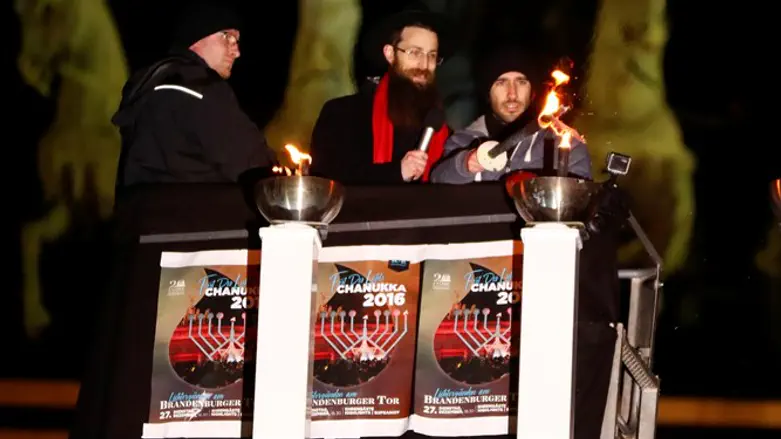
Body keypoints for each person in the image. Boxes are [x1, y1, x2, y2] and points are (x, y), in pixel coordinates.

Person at [111, 0, 276, 191]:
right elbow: (251, 162)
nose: (236, 51)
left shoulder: (148, 88)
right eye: (227, 36)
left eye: (237, 41)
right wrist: (280, 174)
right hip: (194, 215)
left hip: (139, 216)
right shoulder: (200, 88)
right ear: (197, 37)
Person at [309, 2, 451, 184]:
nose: (424, 65)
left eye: (431, 55)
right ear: (390, 54)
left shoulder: (438, 125)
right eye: (414, 53)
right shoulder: (342, 113)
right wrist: (397, 171)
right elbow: (324, 180)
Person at [430, 45, 591, 184]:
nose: (512, 94)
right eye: (501, 82)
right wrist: (465, 164)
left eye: (521, 82)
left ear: (532, 91)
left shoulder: (565, 144)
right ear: (488, 92)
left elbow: (580, 203)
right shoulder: (463, 141)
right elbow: (437, 181)